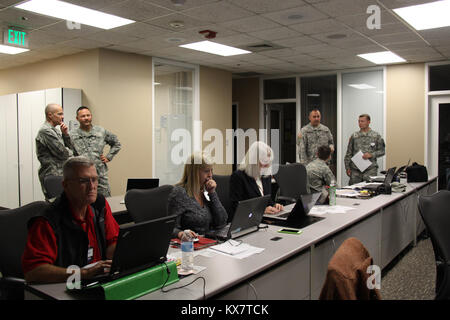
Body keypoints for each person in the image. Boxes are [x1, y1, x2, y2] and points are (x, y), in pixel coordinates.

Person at [22, 156, 120, 284]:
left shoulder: (99, 205)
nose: (92, 186)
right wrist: (83, 274)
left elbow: (112, 244)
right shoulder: (48, 221)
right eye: (83, 181)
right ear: (65, 185)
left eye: (94, 179)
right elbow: (33, 272)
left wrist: (126, 254)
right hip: (66, 286)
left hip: (98, 281)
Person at [168, 152, 228, 239]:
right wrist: (181, 234)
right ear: (194, 172)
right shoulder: (179, 193)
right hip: (189, 245)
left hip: (209, 242)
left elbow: (222, 222)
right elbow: (170, 229)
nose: (210, 175)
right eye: (207, 171)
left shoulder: (203, 191)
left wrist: (212, 193)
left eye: (211, 170)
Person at [70, 106, 121, 197]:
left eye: (88, 115)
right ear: (77, 118)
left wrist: (108, 157)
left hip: (100, 174)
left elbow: (116, 143)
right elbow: (67, 153)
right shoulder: (72, 135)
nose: (86, 118)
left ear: (91, 116)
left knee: (105, 200)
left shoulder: (101, 131)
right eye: (83, 116)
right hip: (82, 174)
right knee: (84, 200)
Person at [229, 141, 283, 216]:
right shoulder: (238, 177)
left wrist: (274, 205)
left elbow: (267, 200)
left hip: (266, 219)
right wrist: (261, 210)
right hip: (248, 220)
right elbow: (236, 207)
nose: (267, 166)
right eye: (264, 163)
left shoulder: (265, 176)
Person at [36, 103, 76, 199]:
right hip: (52, 175)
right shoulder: (45, 131)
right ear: (50, 115)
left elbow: (72, 149)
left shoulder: (56, 131)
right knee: (57, 206)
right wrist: (70, 153)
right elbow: (63, 154)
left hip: (62, 173)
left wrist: (65, 134)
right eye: (59, 114)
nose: (62, 117)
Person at [344, 114, 386, 185]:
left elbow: (382, 151)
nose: (360, 123)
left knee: (370, 191)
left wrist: (371, 155)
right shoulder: (354, 136)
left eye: (362, 121)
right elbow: (348, 153)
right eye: (359, 121)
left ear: (368, 122)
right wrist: (347, 168)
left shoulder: (376, 136)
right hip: (355, 170)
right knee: (353, 191)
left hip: (370, 170)